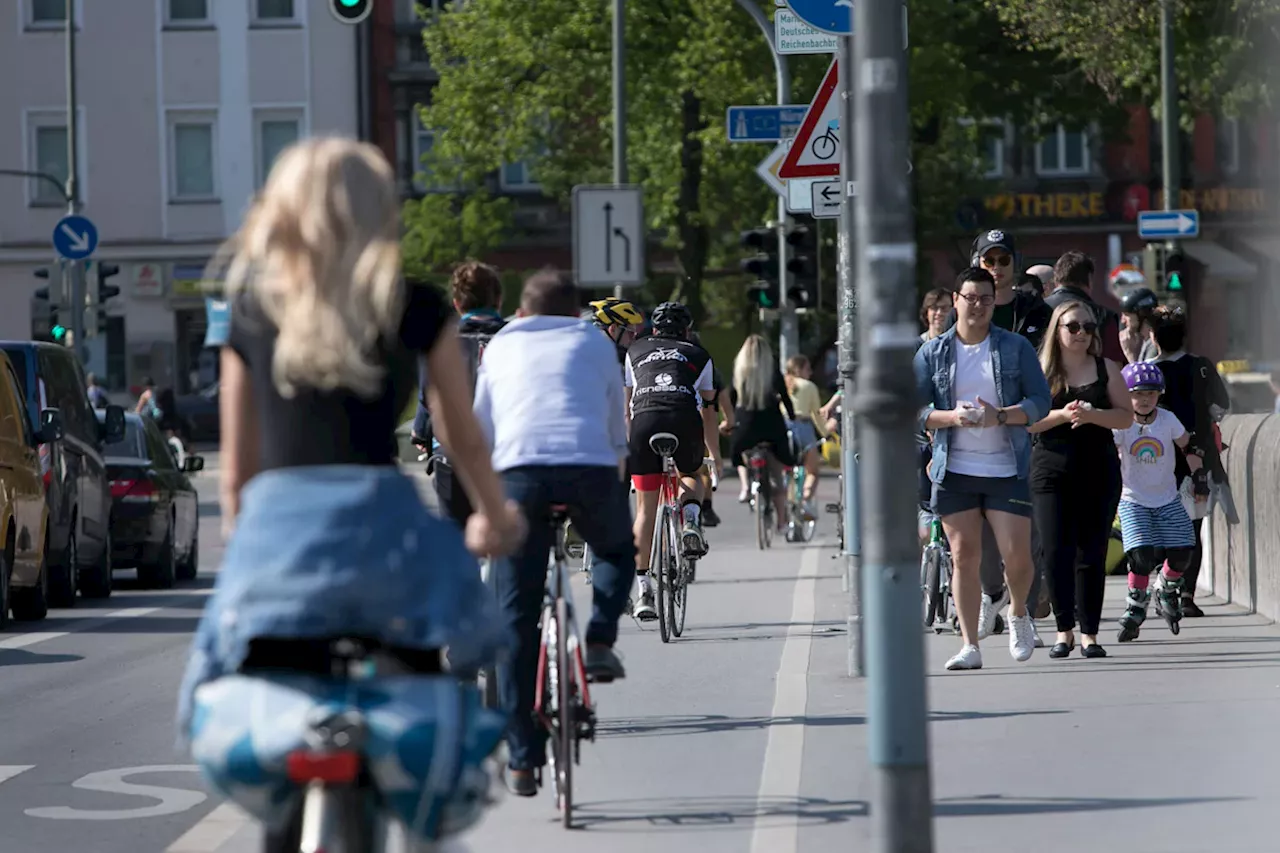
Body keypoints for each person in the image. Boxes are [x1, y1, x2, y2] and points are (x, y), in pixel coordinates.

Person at [177, 138, 523, 841]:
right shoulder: (418, 307)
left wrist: (251, 551)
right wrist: (495, 514)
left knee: (229, 683)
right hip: (382, 533)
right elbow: (463, 436)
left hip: (278, 532)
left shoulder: (250, 311)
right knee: (434, 678)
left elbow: (238, 473)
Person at [473, 270, 635, 796]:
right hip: (587, 469)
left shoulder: (500, 344)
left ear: (522, 310)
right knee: (614, 547)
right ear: (574, 311)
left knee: (514, 622)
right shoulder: (594, 340)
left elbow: (483, 425)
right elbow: (616, 426)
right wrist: (609, 482)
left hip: (518, 476)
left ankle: (523, 760)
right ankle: (601, 638)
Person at [914, 266, 1052, 671]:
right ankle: (970, 644)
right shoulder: (932, 353)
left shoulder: (1014, 348)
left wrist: (1002, 416)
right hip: (955, 468)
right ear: (954, 300)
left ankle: (1019, 615)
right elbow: (915, 411)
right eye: (970, 298)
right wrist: (951, 418)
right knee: (964, 556)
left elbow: (1040, 400)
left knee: (1018, 556)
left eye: (986, 299)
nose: (977, 306)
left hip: (1006, 466)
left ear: (995, 302)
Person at [947, 232, 1052, 636]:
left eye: (1003, 259)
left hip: (1029, 431)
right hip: (972, 441)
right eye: (989, 259)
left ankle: (1023, 606)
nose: (997, 266)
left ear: (1014, 263)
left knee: (1027, 531)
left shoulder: (1035, 312)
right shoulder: (966, 309)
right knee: (981, 540)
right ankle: (994, 596)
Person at [1028, 301, 1133, 659]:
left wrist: (1093, 415)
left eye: (1088, 327)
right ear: (1057, 330)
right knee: (1056, 551)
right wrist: (1059, 414)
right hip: (1050, 469)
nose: (1082, 334)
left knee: (1092, 552)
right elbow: (1026, 421)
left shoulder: (1107, 369)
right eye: (1073, 327)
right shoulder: (1040, 371)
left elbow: (1125, 418)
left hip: (1098, 468)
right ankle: (1064, 630)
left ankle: (1089, 632)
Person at [625, 302, 716, 619]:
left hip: (643, 426)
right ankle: (690, 519)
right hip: (682, 420)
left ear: (653, 329)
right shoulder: (699, 354)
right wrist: (712, 453)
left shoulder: (634, 350)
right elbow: (706, 406)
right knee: (692, 472)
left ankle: (643, 591)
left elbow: (628, 406)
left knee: (645, 510)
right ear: (687, 330)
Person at [1146, 306, 1231, 617]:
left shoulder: (1147, 374)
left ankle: (1163, 584)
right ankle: (1186, 595)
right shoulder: (1202, 367)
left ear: (1153, 338)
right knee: (1193, 528)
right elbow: (1222, 405)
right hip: (1199, 461)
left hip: (1157, 463)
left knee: (1159, 526)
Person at [1114, 361, 1205, 641]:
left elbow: (1187, 445)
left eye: (1151, 394)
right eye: (1138, 394)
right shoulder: (1120, 423)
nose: (1144, 400)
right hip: (1133, 500)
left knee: (1183, 553)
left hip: (1167, 498)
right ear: (1126, 395)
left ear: (1159, 395)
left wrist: (1199, 476)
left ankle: (1165, 586)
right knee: (1140, 557)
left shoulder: (1167, 420)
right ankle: (1135, 604)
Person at [412, 262, 508, 524]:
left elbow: (428, 393)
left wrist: (420, 430)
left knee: (456, 536)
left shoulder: (443, 339)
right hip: (505, 451)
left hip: (451, 454)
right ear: (498, 300)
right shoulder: (514, 337)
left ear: (457, 303)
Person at [728, 334, 796, 526]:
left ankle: (745, 486)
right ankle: (782, 521)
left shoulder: (740, 370)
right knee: (777, 474)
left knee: (739, 451)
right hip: (771, 425)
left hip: (745, 425)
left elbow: (732, 397)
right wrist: (792, 417)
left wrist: (730, 421)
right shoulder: (772, 369)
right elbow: (784, 396)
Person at [1043, 251, 1125, 363]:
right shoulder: (1103, 315)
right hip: (1091, 377)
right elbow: (1114, 362)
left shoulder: (1036, 309)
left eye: (1088, 327)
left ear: (1056, 280)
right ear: (1090, 280)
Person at [783, 354, 827, 517]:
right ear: (799, 369)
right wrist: (826, 433)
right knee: (812, 471)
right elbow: (816, 414)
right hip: (803, 427)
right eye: (808, 369)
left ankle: (784, 501)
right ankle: (805, 501)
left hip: (784, 426)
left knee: (784, 469)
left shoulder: (783, 384)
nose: (810, 372)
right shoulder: (809, 386)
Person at [586, 296, 645, 365]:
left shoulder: (594, 349)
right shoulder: (604, 359)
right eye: (631, 333)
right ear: (613, 329)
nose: (634, 338)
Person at [1118, 286, 1161, 365]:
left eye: (1126, 315)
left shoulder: (1155, 345)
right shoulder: (1146, 342)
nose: (1123, 320)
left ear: (1141, 313)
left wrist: (1129, 354)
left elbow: (1144, 377)